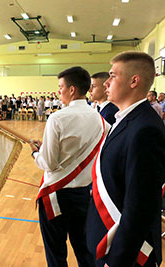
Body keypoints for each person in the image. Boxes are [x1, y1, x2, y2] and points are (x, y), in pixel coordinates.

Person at [86, 51, 165, 267]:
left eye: (112, 76)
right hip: (105, 235)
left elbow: (140, 207)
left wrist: (117, 260)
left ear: (133, 81)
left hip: (123, 253)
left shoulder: (145, 129)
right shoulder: (126, 119)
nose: (106, 83)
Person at [30, 66, 108, 267]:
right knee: (84, 250)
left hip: (56, 195)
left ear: (71, 89)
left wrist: (35, 153)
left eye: (60, 87)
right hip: (85, 195)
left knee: (56, 253)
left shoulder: (58, 117)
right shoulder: (102, 122)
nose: (59, 92)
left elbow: (49, 163)